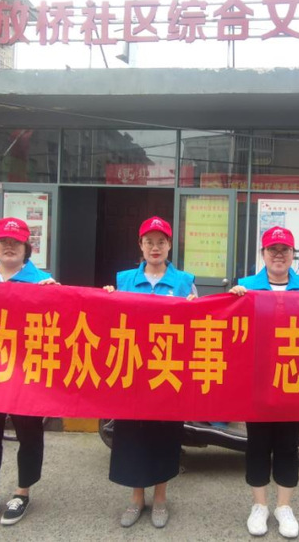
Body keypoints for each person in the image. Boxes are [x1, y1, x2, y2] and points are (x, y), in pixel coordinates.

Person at [229, 226, 299, 539]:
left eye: (285, 249)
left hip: (294, 380)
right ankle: (259, 505)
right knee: (257, 444)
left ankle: (284, 507)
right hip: (257, 381)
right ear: (263, 254)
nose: (279, 255)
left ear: (293, 254)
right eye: (273, 249)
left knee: (287, 444)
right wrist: (233, 301)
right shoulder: (246, 286)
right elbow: (232, 330)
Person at [103, 216, 197, 529]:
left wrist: (195, 307)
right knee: (132, 436)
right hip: (132, 372)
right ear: (140, 246)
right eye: (149, 242)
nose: (155, 248)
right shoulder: (124, 280)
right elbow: (110, 321)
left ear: (169, 246)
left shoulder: (184, 282)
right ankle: (135, 499)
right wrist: (105, 298)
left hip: (168, 373)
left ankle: (160, 499)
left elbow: (198, 326)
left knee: (164, 436)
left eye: (161, 242)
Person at [0, 217, 58, 527]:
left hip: (27, 374)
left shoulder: (43, 281)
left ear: (26, 248)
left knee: (30, 434)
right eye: (3, 242)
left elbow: (60, 325)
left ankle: (22, 492)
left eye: (15, 242)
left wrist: (56, 295)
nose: (9, 247)